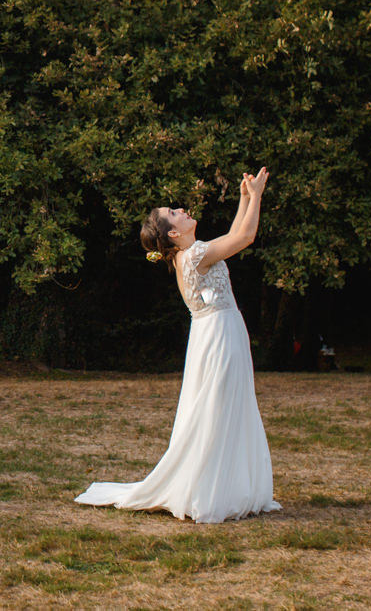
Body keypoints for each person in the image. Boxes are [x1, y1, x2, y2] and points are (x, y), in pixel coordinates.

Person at [75, 168, 281, 524]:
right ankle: (211, 489)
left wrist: (246, 197)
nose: (182, 210)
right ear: (173, 232)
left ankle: (222, 485)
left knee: (224, 406)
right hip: (218, 335)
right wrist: (259, 195)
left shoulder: (193, 254)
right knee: (218, 408)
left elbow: (234, 234)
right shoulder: (195, 255)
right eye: (174, 213)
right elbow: (245, 237)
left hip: (216, 333)